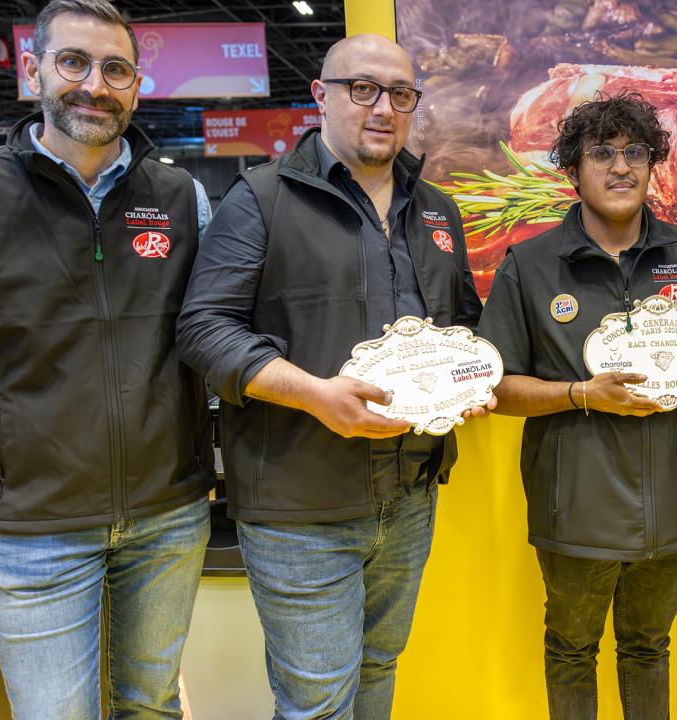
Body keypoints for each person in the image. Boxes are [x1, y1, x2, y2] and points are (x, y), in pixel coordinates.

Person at [0, 1, 214, 717]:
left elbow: (204, 334)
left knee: (152, 703)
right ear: (32, 69)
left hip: (167, 513)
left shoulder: (180, 198)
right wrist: (11, 444)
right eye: (73, 61)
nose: (95, 85)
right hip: (35, 523)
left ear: (137, 85)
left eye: (116, 69)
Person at [176, 34, 487, 719]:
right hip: (299, 504)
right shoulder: (260, 199)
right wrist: (315, 396)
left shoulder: (435, 209)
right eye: (362, 88)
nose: (383, 108)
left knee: (378, 670)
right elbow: (204, 329)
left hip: (408, 497)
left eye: (400, 94)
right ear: (321, 95)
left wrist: (467, 379)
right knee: (317, 700)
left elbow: (461, 319)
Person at [478, 94, 677, 719]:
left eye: (635, 153)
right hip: (575, 507)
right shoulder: (531, 265)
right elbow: (494, 386)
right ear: (573, 170)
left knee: (649, 647)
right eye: (602, 153)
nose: (621, 167)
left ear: (654, 165)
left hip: (674, 503)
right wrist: (581, 394)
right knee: (572, 650)